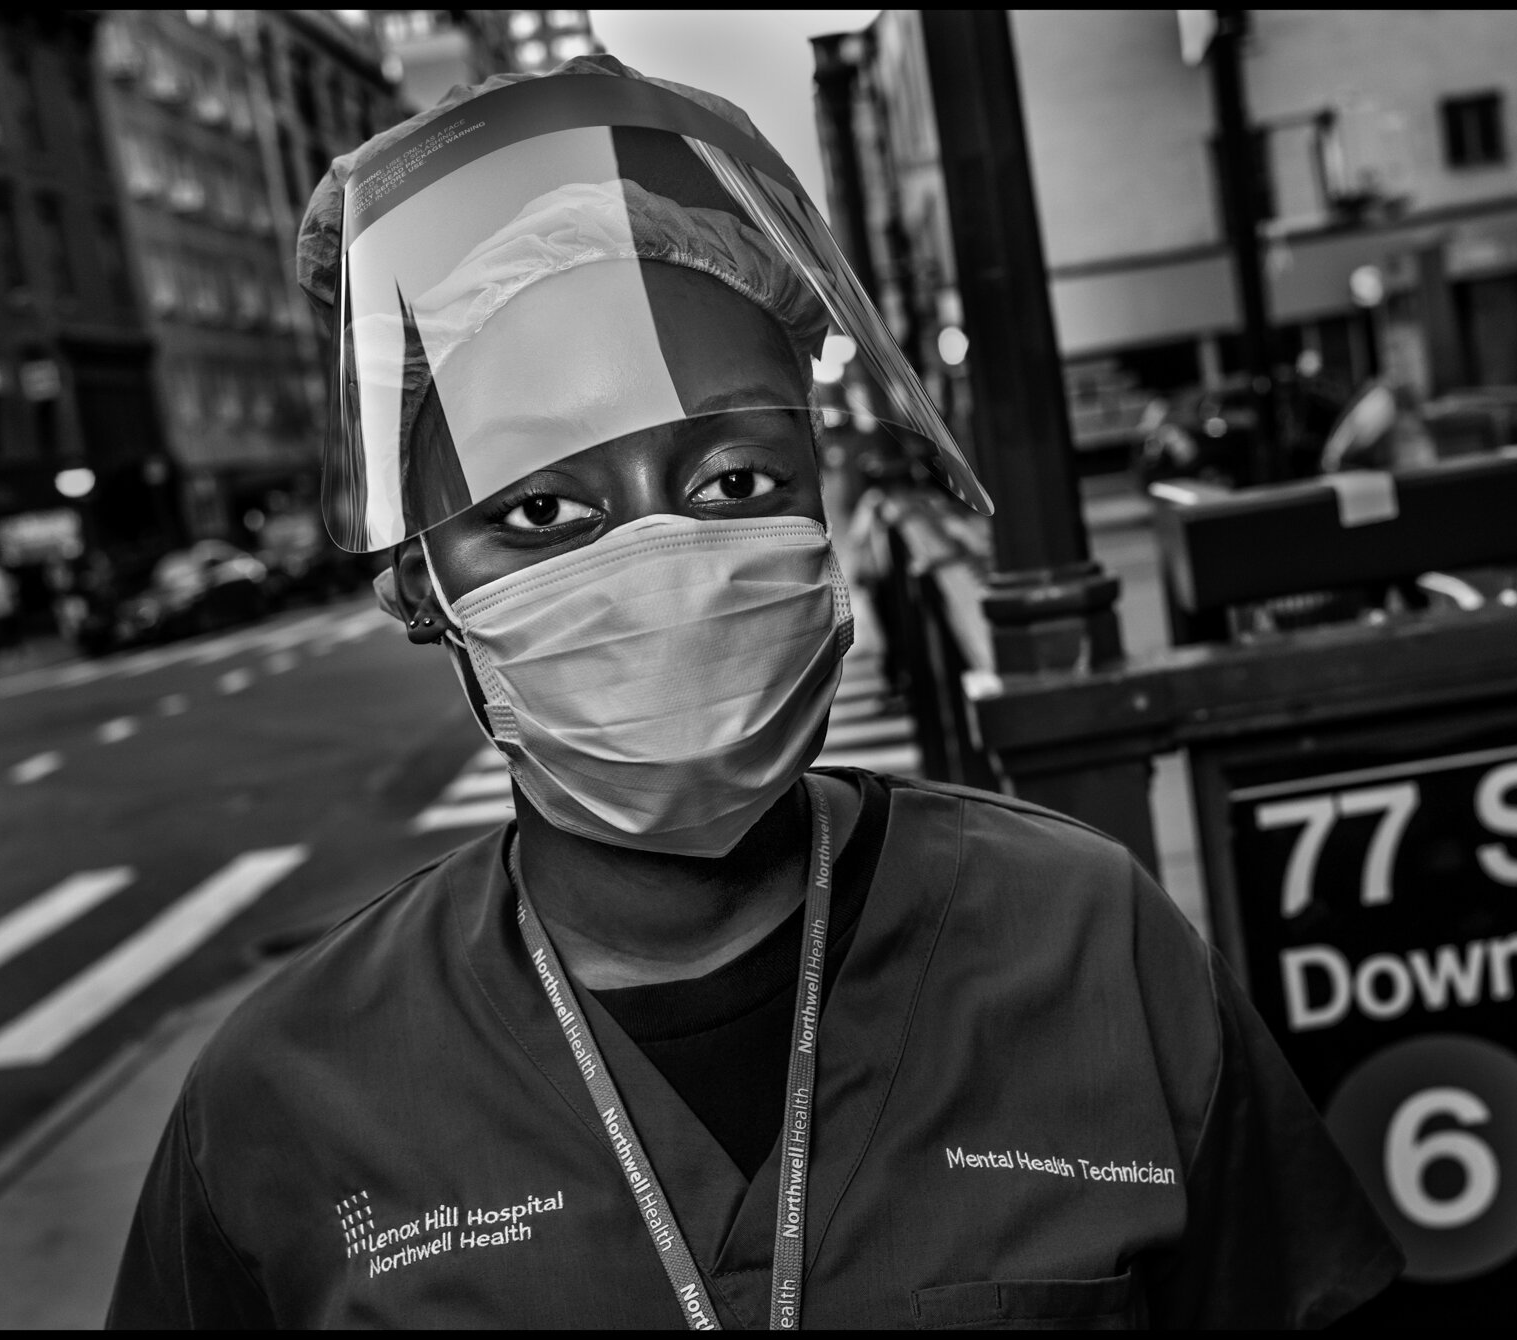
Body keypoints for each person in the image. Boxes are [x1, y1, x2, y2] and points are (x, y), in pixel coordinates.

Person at [108, 56, 1400, 1329]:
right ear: (421, 586)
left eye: (733, 483)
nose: (659, 561)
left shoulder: (1085, 940)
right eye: (543, 510)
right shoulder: (288, 1092)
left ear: (823, 503)